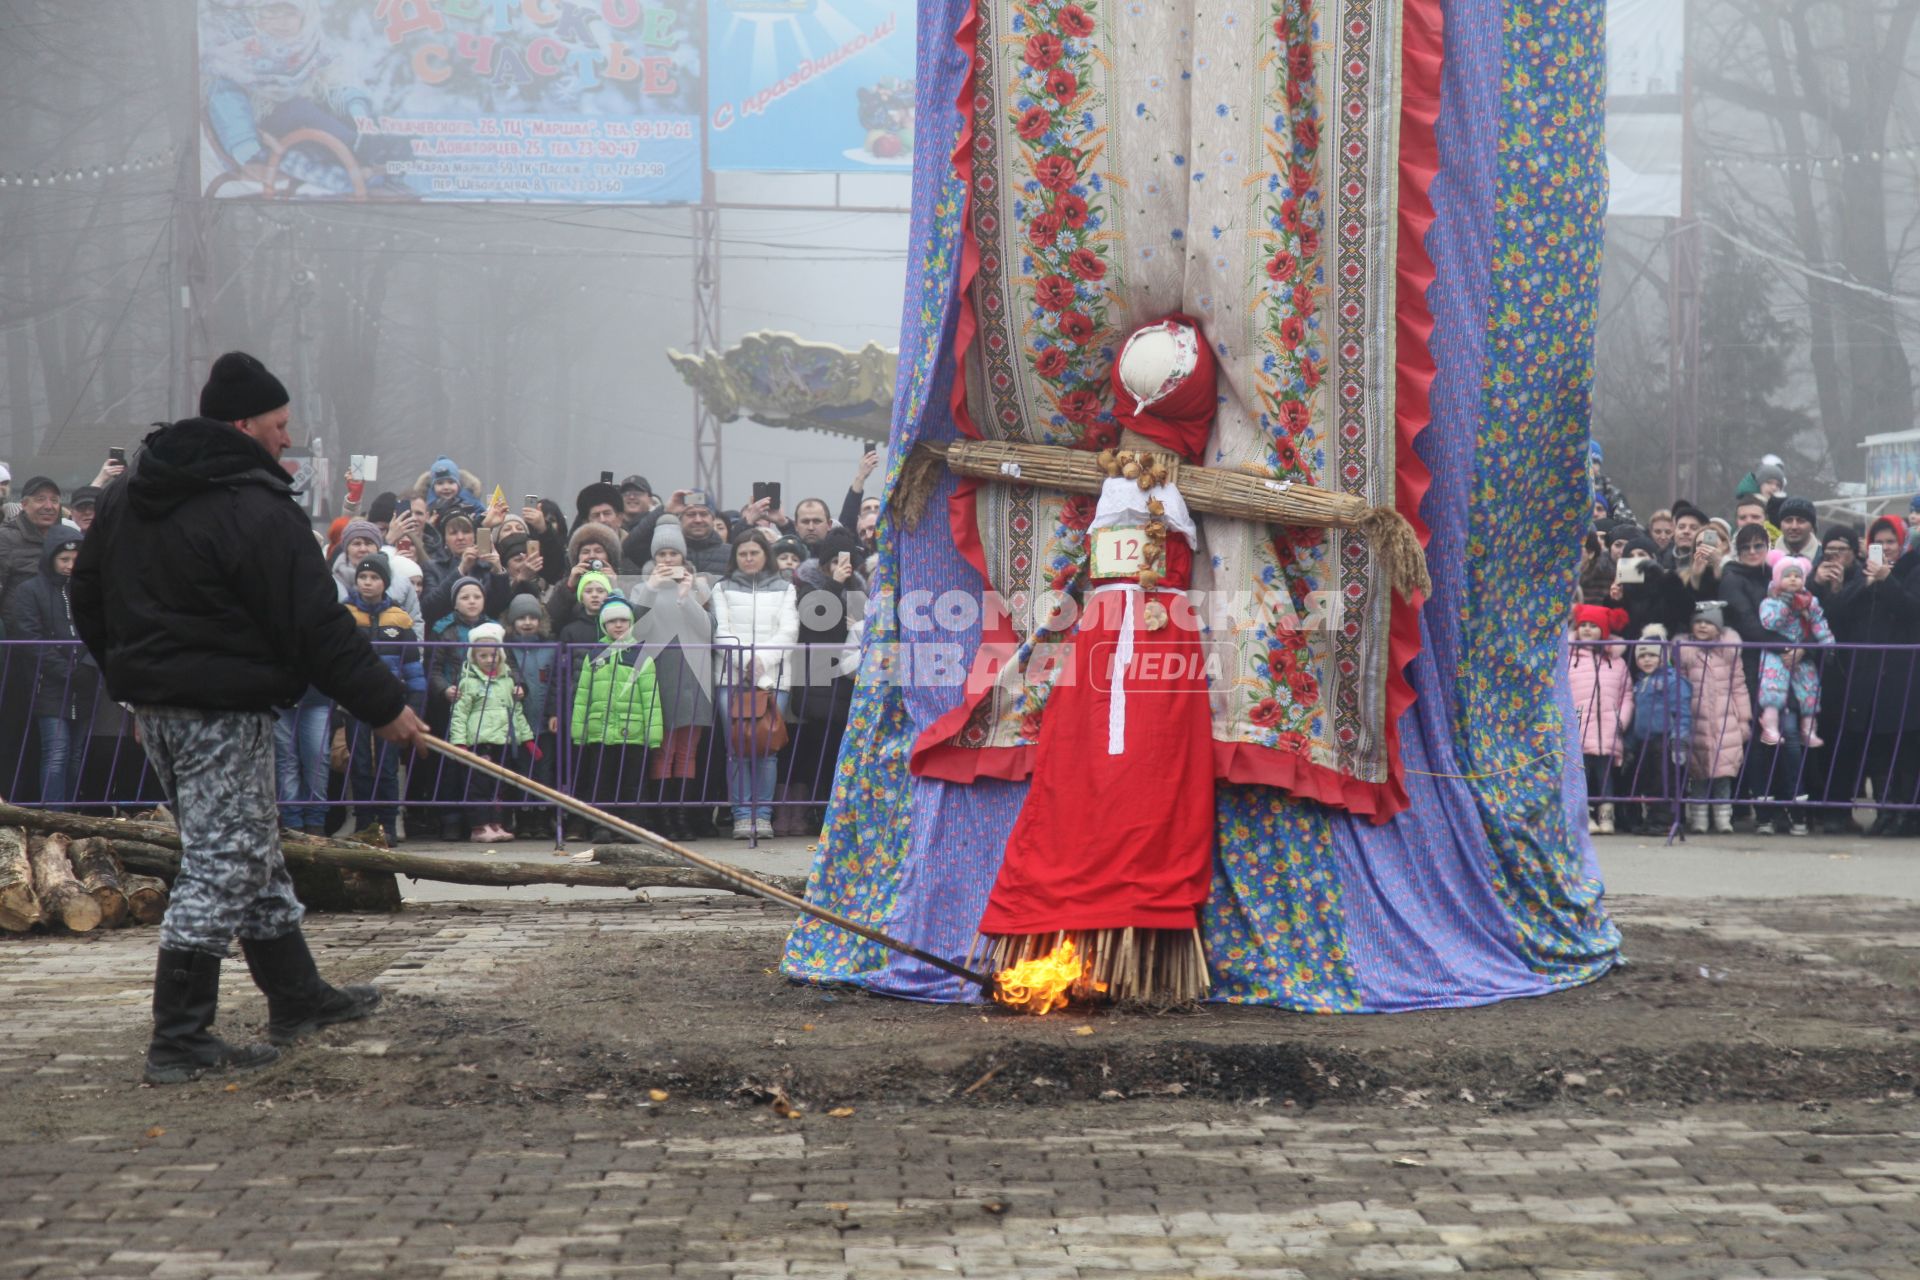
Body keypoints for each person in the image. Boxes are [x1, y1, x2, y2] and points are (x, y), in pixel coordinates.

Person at [70, 352, 428, 1086]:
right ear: (244, 425)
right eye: (280, 425)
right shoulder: (254, 507)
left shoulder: (131, 495)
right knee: (222, 862)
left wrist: (132, 678)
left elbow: (89, 597)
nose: (287, 439)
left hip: (162, 703)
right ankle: (180, 1038)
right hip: (222, 706)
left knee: (251, 847)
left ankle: (297, 998)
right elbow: (315, 625)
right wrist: (384, 706)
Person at [632, 518, 714, 841]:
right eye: (662, 554)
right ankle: (663, 816)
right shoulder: (642, 587)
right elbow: (636, 628)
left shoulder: (699, 586)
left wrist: (687, 597)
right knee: (664, 748)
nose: (667, 560)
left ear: (683, 557)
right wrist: (652, 590)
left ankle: (682, 815)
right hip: (661, 672)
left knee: (688, 749)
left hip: (695, 674)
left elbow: (709, 629)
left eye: (673, 554)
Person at [2, 524, 95, 807]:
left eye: (76, 560)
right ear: (50, 559)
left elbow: (102, 630)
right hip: (49, 685)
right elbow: (30, 638)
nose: (70, 566)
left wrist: (89, 666)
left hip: (86, 683)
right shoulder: (30, 590)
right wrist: (67, 672)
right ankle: (54, 813)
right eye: (64, 560)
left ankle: (70, 812)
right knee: (57, 751)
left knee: (77, 753)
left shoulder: (90, 590)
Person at [340, 553, 426, 843]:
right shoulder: (345, 615)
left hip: (390, 704)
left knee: (388, 765)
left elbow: (412, 665)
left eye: (374, 577)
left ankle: (389, 825)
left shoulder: (400, 619)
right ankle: (364, 824)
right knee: (360, 763)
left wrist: (414, 703)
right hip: (355, 703)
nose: (367, 582)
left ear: (385, 582)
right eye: (363, 577)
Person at [569, 596, 662, 843]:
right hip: (600, 731)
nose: (618, 625)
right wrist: (579, 731)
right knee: (600, 782)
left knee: (633, 783)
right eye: (612, 621)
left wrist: (653, 735)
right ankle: (601, 827)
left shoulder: (642, 655)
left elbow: (651, 697)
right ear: (603, 625)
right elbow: (582, 696)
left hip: (633, 733)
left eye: (623, 620)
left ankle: (633, 828)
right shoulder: (594, 655)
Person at [449, 621, 533, 844]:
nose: (489, 660)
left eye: (493, 655)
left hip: (502, 741)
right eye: (483, 656)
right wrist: (458, 743)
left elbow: (516, 712)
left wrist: (528, 739)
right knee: (477, 786)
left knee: (499, 785)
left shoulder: (507, 682)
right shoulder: (468, 682)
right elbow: (459, 714)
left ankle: (497, 823)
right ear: (474, 658)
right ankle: (479, 826)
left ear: (501, 657)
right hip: (478, 742)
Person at [1678, 602, 1749, 835]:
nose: (1702, 626)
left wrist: (1743, 718)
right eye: (1698, 622)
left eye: (1708, 622)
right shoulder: (1686, 653)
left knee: (1723, 774)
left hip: (1724, 718)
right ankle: (1699, 818)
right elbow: (1680, 684)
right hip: (1696, 718)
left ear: (1718, 627)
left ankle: (1723, 817)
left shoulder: (1728, 653)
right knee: (1697, 773)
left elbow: (1738, 685)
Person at [1757, 554, 1833, 753]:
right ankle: (1770, 725)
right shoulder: (1770, 600)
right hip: (1776, 655)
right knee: (1773, 687)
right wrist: (1784, 605)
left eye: (1797, 576)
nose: (1793, 579)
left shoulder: (1811, 601)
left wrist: (1827, 643)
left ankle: (1809, 729)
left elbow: (1819, 623)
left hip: (1802, 654)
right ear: (1777, 579)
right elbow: (1769, 622)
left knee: (1810, 688)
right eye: (1787, 575)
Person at [1619, 625, 1690, 836]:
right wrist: (1629, 744)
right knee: (1649, 782)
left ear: (1663, 657)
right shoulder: (1640, 683)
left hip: (1665, 740)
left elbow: (1682, 712)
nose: (1647, 660)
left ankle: (1665, 821)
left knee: (1664, 782)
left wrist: (1680, 736)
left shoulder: (1674, 681)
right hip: (1644, 741)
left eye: (1652, 655)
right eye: (1642, 656)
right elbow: (1636, 717)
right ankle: (1652, 819)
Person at [1569, 604, 1633, 835]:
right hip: (1579, 729)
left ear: (1604, 631)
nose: (1587, 630)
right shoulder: (1569, 657)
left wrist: (1621, 720)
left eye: (1593, 626)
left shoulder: (1617, 661)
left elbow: (1627, 694)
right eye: (1583, 625)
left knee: (1605, 776)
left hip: (1607, 730)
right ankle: (1583, 816)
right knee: (1580, 775)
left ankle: (1607, 815)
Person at [503, 594, 559, 837]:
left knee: (544, 771)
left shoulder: (550, 646)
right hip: (519, 722)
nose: (527, 622)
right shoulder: (506, 647)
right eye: (521, 618)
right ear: (512, 621)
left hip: (544, 722)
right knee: (522, 771)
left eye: (532, 618)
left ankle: (542, 818)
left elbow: (556, 682)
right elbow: (509, 672)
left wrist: (554, 712)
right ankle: (525, 819)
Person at [0, 475, 63, 610]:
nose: (48, 506)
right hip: (19, 627)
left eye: (54, 500)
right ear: (24, 504)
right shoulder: (5, 539)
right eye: (40, 499)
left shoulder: (64, 539)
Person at [1774, 496, 1821, 563]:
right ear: (1780, 525)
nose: (1794, 527)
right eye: (1788, 520)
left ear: (1812, 526)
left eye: (1801, 521)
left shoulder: (1824, 558)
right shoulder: (1765, 558)